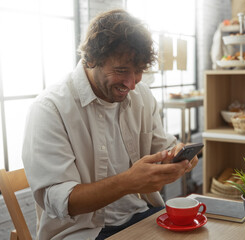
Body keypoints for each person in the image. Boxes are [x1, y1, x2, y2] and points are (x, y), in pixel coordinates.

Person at [22, 9, 198, 240]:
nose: (132, 83)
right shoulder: (50, 108)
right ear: (91, 59)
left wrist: (179, 156)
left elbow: (161, 148)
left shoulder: (142, 96)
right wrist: (128, 181)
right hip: (81, 231)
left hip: (142, 215)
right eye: (121, 71)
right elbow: (60, 201)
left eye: (139, 71)